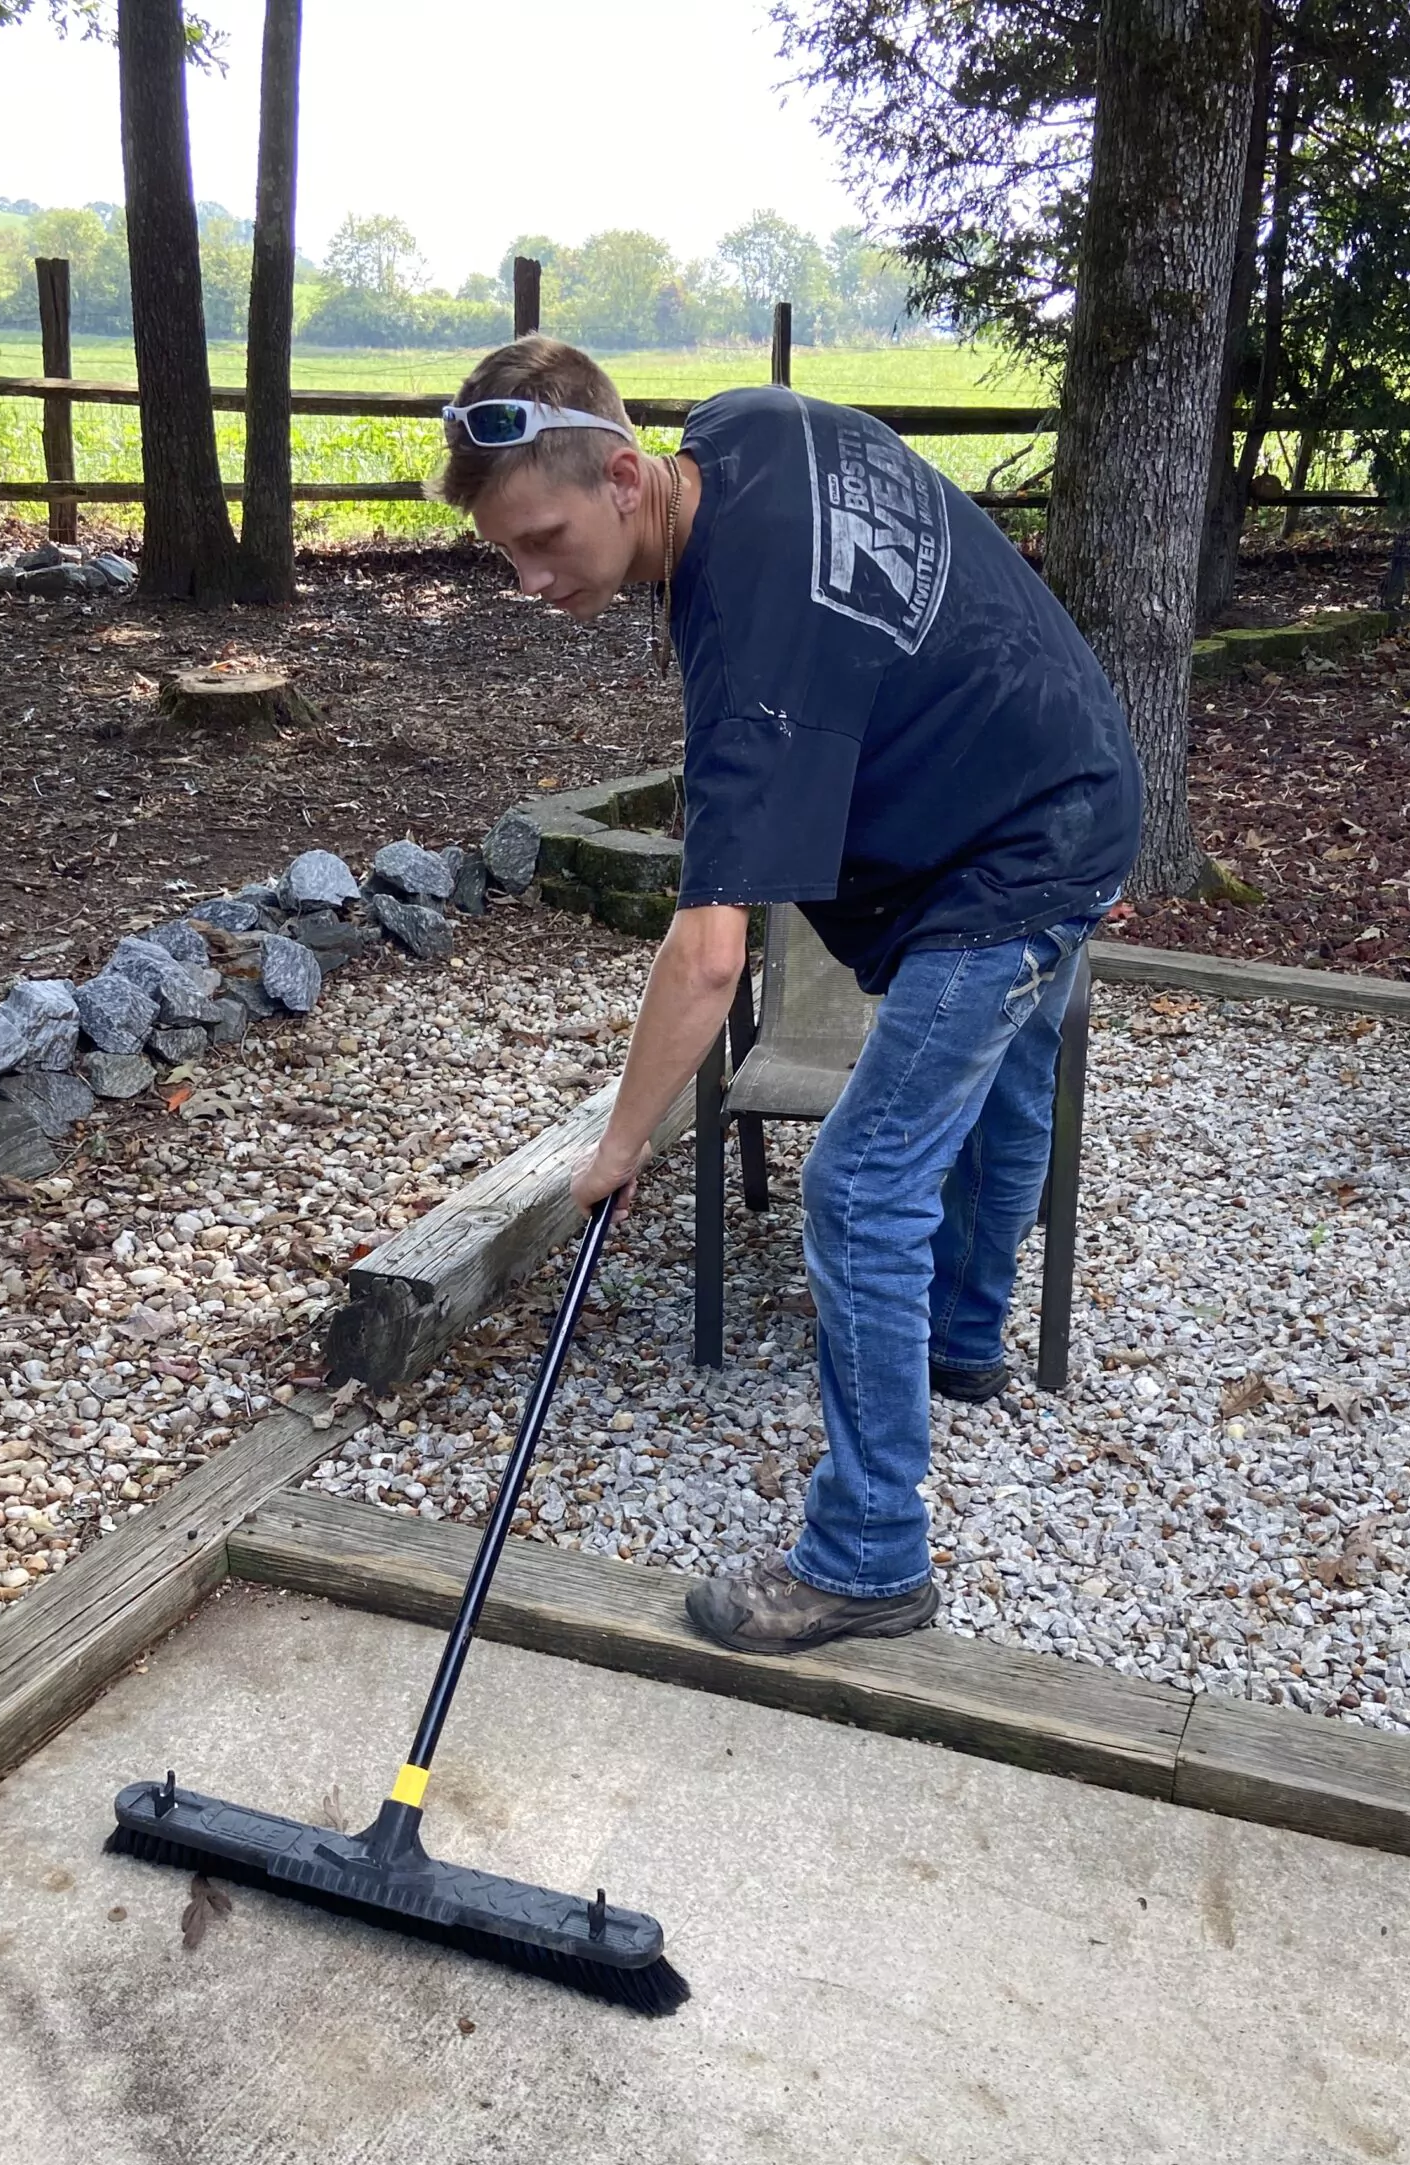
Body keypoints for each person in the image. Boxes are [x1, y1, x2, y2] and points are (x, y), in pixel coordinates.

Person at [438, 337, 1140, 1657]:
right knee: (1009, 1082)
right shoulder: (746, 423)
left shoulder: (750, 657)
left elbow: (711, 960)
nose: (530, 580)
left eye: (542, 537)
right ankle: (964, 1340)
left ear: (627, 478)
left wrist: (621, 1145)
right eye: (506, 555)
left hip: (1015, 856)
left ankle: (871, 1554)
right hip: (1068, 751)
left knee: (863, 1184)